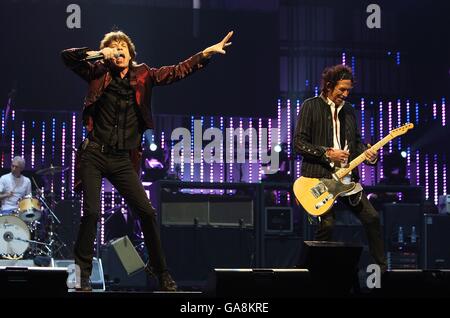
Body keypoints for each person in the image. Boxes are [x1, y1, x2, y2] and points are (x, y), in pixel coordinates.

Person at [62, 29, 233, 291]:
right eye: (113, 47)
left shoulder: (144, 74)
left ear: (131, 54)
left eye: (122, 47)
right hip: (94, 154)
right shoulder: (97, 71)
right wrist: (98, 53)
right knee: (92, 213)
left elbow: (177, 71)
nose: (118, 50)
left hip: (122, 159)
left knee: (147, 213)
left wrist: (206, 53)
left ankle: (160, 270)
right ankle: (81, 275)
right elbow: (67, 57)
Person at [294, 64, 387, 272]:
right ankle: (309, 273)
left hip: (346, 180)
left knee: (372, 218)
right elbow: (298, 143)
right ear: (329, 86)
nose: (345, 95)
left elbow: (355, 143)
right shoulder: (310, 106)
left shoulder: (350, 112)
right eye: (341, 90)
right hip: (319, 179)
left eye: (348, 91)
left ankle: (382, 271)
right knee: (327, 225)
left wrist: (369, 154)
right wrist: (327, 152)